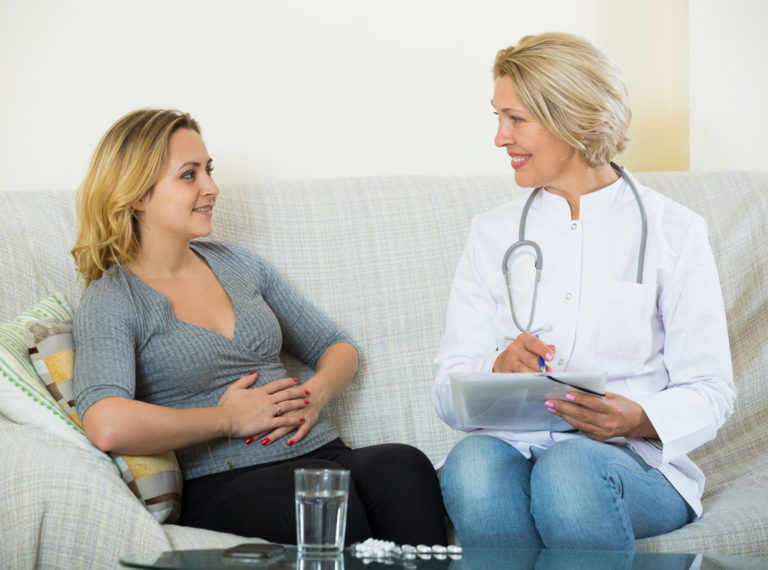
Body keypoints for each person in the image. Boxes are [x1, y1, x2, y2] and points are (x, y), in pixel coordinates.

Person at [71, 108, 447, 546]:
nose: (211, 187)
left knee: (402, 465)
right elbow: (106, 422)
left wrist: (315, 396)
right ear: (137, 194)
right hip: (226, 479)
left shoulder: (237, 263)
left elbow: (335, 345)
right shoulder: (114, 296)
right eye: (189, 175)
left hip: (320, 452)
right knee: (319, 490)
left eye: (208, 171)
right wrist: (225, 419)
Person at [433, 32, 735, 551]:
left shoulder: (675, 231)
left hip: (634, 465)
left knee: (569, 472)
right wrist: (495, 367)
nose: (500, 138)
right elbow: (446, 389)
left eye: (517, 119)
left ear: (569, 118)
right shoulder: (491, 232)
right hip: (512, 451)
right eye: (497, 117)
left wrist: (639, 418)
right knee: (471, 468)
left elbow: (711, 388)